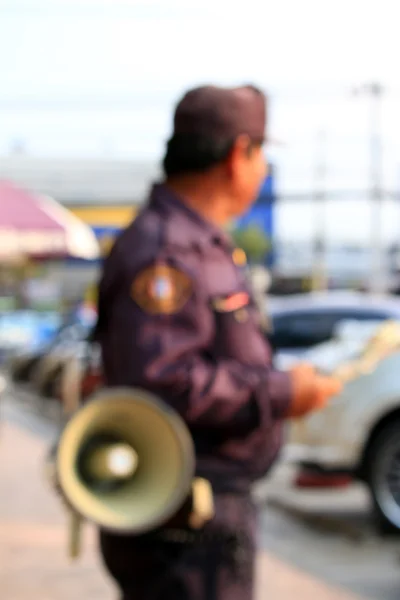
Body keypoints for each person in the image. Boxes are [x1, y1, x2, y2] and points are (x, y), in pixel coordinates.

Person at [94, 84, 342, 600]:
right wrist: (281, 393)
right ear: (239, 154)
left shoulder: (196, 241)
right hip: (186, 522)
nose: (263, 168)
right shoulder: (168, 248)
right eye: (262, 154)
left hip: (202, 514)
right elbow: (164, 381)